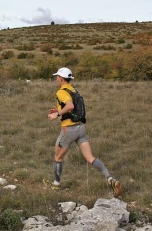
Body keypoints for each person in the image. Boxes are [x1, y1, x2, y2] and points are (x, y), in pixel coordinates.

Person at [47, 67, 122, 198]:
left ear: (61, 78)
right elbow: (72, 106)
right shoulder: (74, 90)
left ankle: (56, 184)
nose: (56, 79)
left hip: (68, 130)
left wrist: (57, 114)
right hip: (80, 128)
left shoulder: (61, 92)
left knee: (58, 157)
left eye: (57, 77)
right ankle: (110, 178)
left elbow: (70, 106)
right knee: (90, 158)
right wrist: (59, 109)